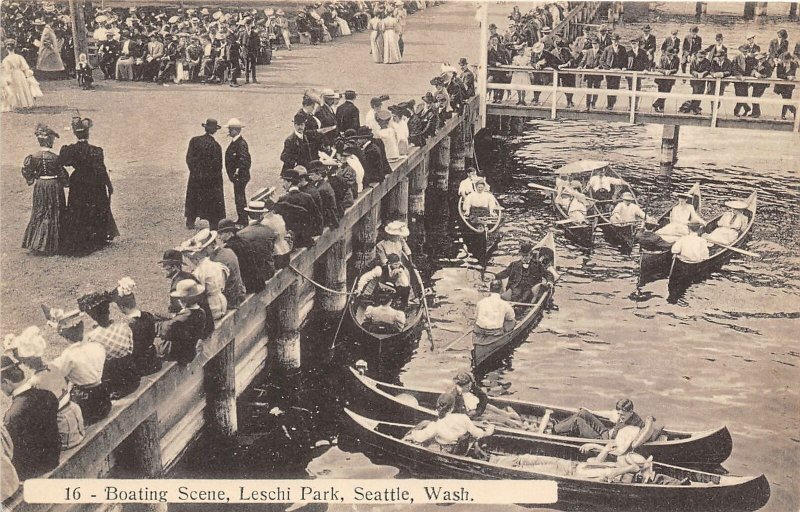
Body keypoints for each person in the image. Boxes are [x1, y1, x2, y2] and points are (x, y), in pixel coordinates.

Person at [59, 117, 119, 255]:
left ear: (75, 133)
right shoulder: (96, 150)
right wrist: (108, 185)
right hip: (94, 181)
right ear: (88, 133)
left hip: (78, 180)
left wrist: (66, 178)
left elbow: (61, 162)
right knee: (95, 205)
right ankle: (95, 236)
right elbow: (102, 169)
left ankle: (78, 236)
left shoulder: (70, 150)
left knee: (78, 207)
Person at [1, 355, 60, 480]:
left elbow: (14, 453)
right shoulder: (48, 395)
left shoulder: (12, 415)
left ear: (6, 382)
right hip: (53, 459)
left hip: (31, 472)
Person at [49, 311, 111, 426]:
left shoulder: (69, 355)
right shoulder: (96, 346)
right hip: (103, 396)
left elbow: (58, 373)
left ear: (66, 336)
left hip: (86, 403)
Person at [78, 290, 139, 400]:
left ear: (93, 317)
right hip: (132, 378)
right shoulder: (124, 327)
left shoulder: (92, 338)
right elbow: (130, 349)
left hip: (112, 384)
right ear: (108, 311)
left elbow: (94, 364)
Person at [20, 124, 68, 255]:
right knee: (54, 211)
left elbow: (27, 172)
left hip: (40, 185)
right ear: (50, 141)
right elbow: (63, 175)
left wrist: (35, 176)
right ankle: (53, 244)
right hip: (53, 185)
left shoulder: (33, 157)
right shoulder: (55, 157)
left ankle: (37, 243)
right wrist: (65, 182)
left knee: (40, 211)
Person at [403, 391, 494, 454]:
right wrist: (489, 430)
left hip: (449, 450)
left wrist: (408, 436)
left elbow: (421, 436)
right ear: (452, 408)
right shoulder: (463, 418)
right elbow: (478, 433)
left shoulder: (436, 425)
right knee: (426, 424)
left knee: (424, 427)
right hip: (461, 450)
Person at [159, 249, 215, 339]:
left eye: (166, 267)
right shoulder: (188, 276)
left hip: (196, 330)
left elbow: (176, 312)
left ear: (174, 268)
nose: (163, 269)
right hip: (205, 321)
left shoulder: (179, 285)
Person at [113, 278, 162, 378]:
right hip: (153, 359)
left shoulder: (129, 327)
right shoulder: (148, 316)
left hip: (141, 366)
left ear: (122, 307)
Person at [185, 118, 225, 230]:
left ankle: (190, 221)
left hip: (195, 178)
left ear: (205, 128)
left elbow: (189, 158)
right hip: (210, 180)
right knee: (211, 201)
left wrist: (195, 172)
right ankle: (213, 223)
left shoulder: (194, 141)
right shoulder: (216, 146)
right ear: (215, 130)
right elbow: (218, 167)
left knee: (193, 199)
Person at [181, 229, 229, 320]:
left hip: (213, 308)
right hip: (222, 302)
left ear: (195, 257)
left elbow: (198, 295)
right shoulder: (215, 264)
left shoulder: (199, 272)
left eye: (190, 258)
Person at [156, 280, 207, 364]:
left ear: (183, 300)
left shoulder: (183, 318)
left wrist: (152, 323)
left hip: (176, 354)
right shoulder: (201, 312)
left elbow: (166, 329)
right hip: (189, 352)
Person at [217, 219, 271, 294]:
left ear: (230, 233)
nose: (219, 237)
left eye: (221, 234)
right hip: (258, 282)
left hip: (247, 286)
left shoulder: (229, 248)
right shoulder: (244, 241)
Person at [553, 398, 646, 440]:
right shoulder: (628, 414)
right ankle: (557, 427)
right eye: (619, 414)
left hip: (603, 441)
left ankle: (554, 431)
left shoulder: (633, 427)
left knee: (578, 421)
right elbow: (611, 413)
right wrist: (592, 412)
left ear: (631, 411)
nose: (620, 417)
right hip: (607, 433)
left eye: (622, 415)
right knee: (583, 412)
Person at [275, 168, 322, 248]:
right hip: (306, 240)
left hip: (291, 242)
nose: (283, 184)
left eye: (284, 181)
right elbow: (318, 218)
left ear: (289, 183)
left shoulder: (283, 199)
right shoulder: (307, 197)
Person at [209, 228, 246, 309]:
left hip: (232, 300)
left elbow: (217, 286)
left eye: (204, 249)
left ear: (211, 246)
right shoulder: (227, 251)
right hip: (239, 291)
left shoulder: (216, 260)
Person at [223, 118, 251, 226]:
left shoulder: (241, 144)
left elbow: (244, 161)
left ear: (236, 130)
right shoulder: (237, 142)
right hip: (238, 177)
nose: (229, 131)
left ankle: (243, 219)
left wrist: (237, 172)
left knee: (240, 198)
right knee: (239, 197)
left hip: (240, 177)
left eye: (231, 129)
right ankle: (242, 218)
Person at [2, 39, 37, 111]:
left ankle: (17, 104)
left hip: (13, 75)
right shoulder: (19, 57)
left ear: (6, 48)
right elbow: (25, 67)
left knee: (15, 89)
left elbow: (7, 71)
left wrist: (7, 79)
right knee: (22, 88)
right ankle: (26, 103)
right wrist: (28, 74)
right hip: (20, 74)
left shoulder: (6, 59)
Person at [600, 34, 627, 110]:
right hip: (610, 71)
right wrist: (608, 69)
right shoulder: (607, 49)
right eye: (614, 41)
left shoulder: (622, 49)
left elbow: (625, 60)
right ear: (612, 41)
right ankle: (609, 104)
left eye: (617, 41)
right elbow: (601, 60)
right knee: (609, 86)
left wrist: (624, 67)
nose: (616, 42)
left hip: (618, 70)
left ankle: (613, 101)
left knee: (616, 86)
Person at [579, 38, 603, 111]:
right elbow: (583, 60)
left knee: (596, 89)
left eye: (595, 44)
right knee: (588, 89)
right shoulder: (588, 51)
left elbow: (603, 62)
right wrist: (580, 66)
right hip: (589, 73)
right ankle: (587, 105)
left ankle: (593, 103)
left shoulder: (602, 52)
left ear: (598, 44)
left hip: (597, 73)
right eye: (593, 44)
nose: (594, 45)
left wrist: (598, 67)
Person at [653, 47, 680, 113]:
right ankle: (660, 108)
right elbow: (659, 68)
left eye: (670, 55)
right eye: (667, 55)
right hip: (661, 79)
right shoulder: (662, 58)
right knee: (661, 92)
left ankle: (656, 104)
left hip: (670, 80)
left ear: (673, 54)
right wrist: (665, 71)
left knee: (667, 93)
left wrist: (670, 71)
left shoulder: (677, 59)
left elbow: (676, 69)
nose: (669, 56)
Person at [749, 52, 774, 118]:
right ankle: (755, 112)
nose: (759, 60)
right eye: (759, 59)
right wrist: (755, 74)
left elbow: (769, 74)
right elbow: (753, 70)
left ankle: (756, 113)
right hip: (756, 84)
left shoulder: (767, 65)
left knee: (756, 97)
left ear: (764, 58)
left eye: (761, 59)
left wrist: (761, 76)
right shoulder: (757, 63)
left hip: (762, 84)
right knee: (754, 97)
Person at [775, 52, 798, 120]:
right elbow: (779, 75)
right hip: (781, 86)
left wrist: (791, 77)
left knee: (786, 100)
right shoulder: (780, 64)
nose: (785, 61)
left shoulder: (793, 64)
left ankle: (784, 115)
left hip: (789, 86)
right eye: (784, 59)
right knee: (786, 100)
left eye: (787, 60)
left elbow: (793, 73)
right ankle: (795, 112)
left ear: (790, 59)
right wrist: (787, 77)